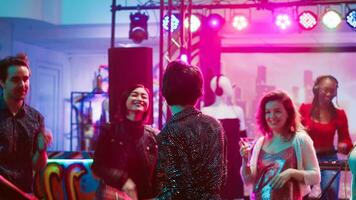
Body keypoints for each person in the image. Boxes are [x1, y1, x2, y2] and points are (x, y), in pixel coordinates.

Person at [155, 61, 227, 199]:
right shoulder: (214, 125)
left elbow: (177, 189)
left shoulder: (170, 131)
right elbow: (222, 176)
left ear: (165, 90)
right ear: (198, 91)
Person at [240, 90, 320, 199]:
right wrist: (245, 160)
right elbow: (248, 180)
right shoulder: (260, 143)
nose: (272, 116)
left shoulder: (301, 140)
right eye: (268, 112)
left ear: (288, 113)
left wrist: (291, 173)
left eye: (277, 111)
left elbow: (316, 177)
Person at [92, 84, 158, 200]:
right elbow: (97, 166)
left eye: (144, 96)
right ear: (125, 101)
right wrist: (123, 180)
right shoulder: (109, 131)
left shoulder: (153, 136)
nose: (139, 99)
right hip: (114, 196)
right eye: (134, 95)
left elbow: (158, 174)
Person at [0, 53, 51, 196]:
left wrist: (41, 150)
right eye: (15, 80)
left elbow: (37, 165)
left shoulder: (36, 118)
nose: (22, 85)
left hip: (25, 193)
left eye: (26, 79)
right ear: (2, 82)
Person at [299, 75, 353, 200]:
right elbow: (294, 134)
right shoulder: (304, 109)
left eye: (333, 90)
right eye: (326, 89)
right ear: (317, 89)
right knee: (302, 194)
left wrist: (344, 145)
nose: (329, 93)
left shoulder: (340, 114)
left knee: (331, 191)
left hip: (329, 158)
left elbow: (346, 141)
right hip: (307, 157)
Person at [201, 75, 247, 199]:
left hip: (233, 165)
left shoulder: (237, 111)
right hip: (215, 166)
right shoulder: (205, 111)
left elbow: (243, 139)